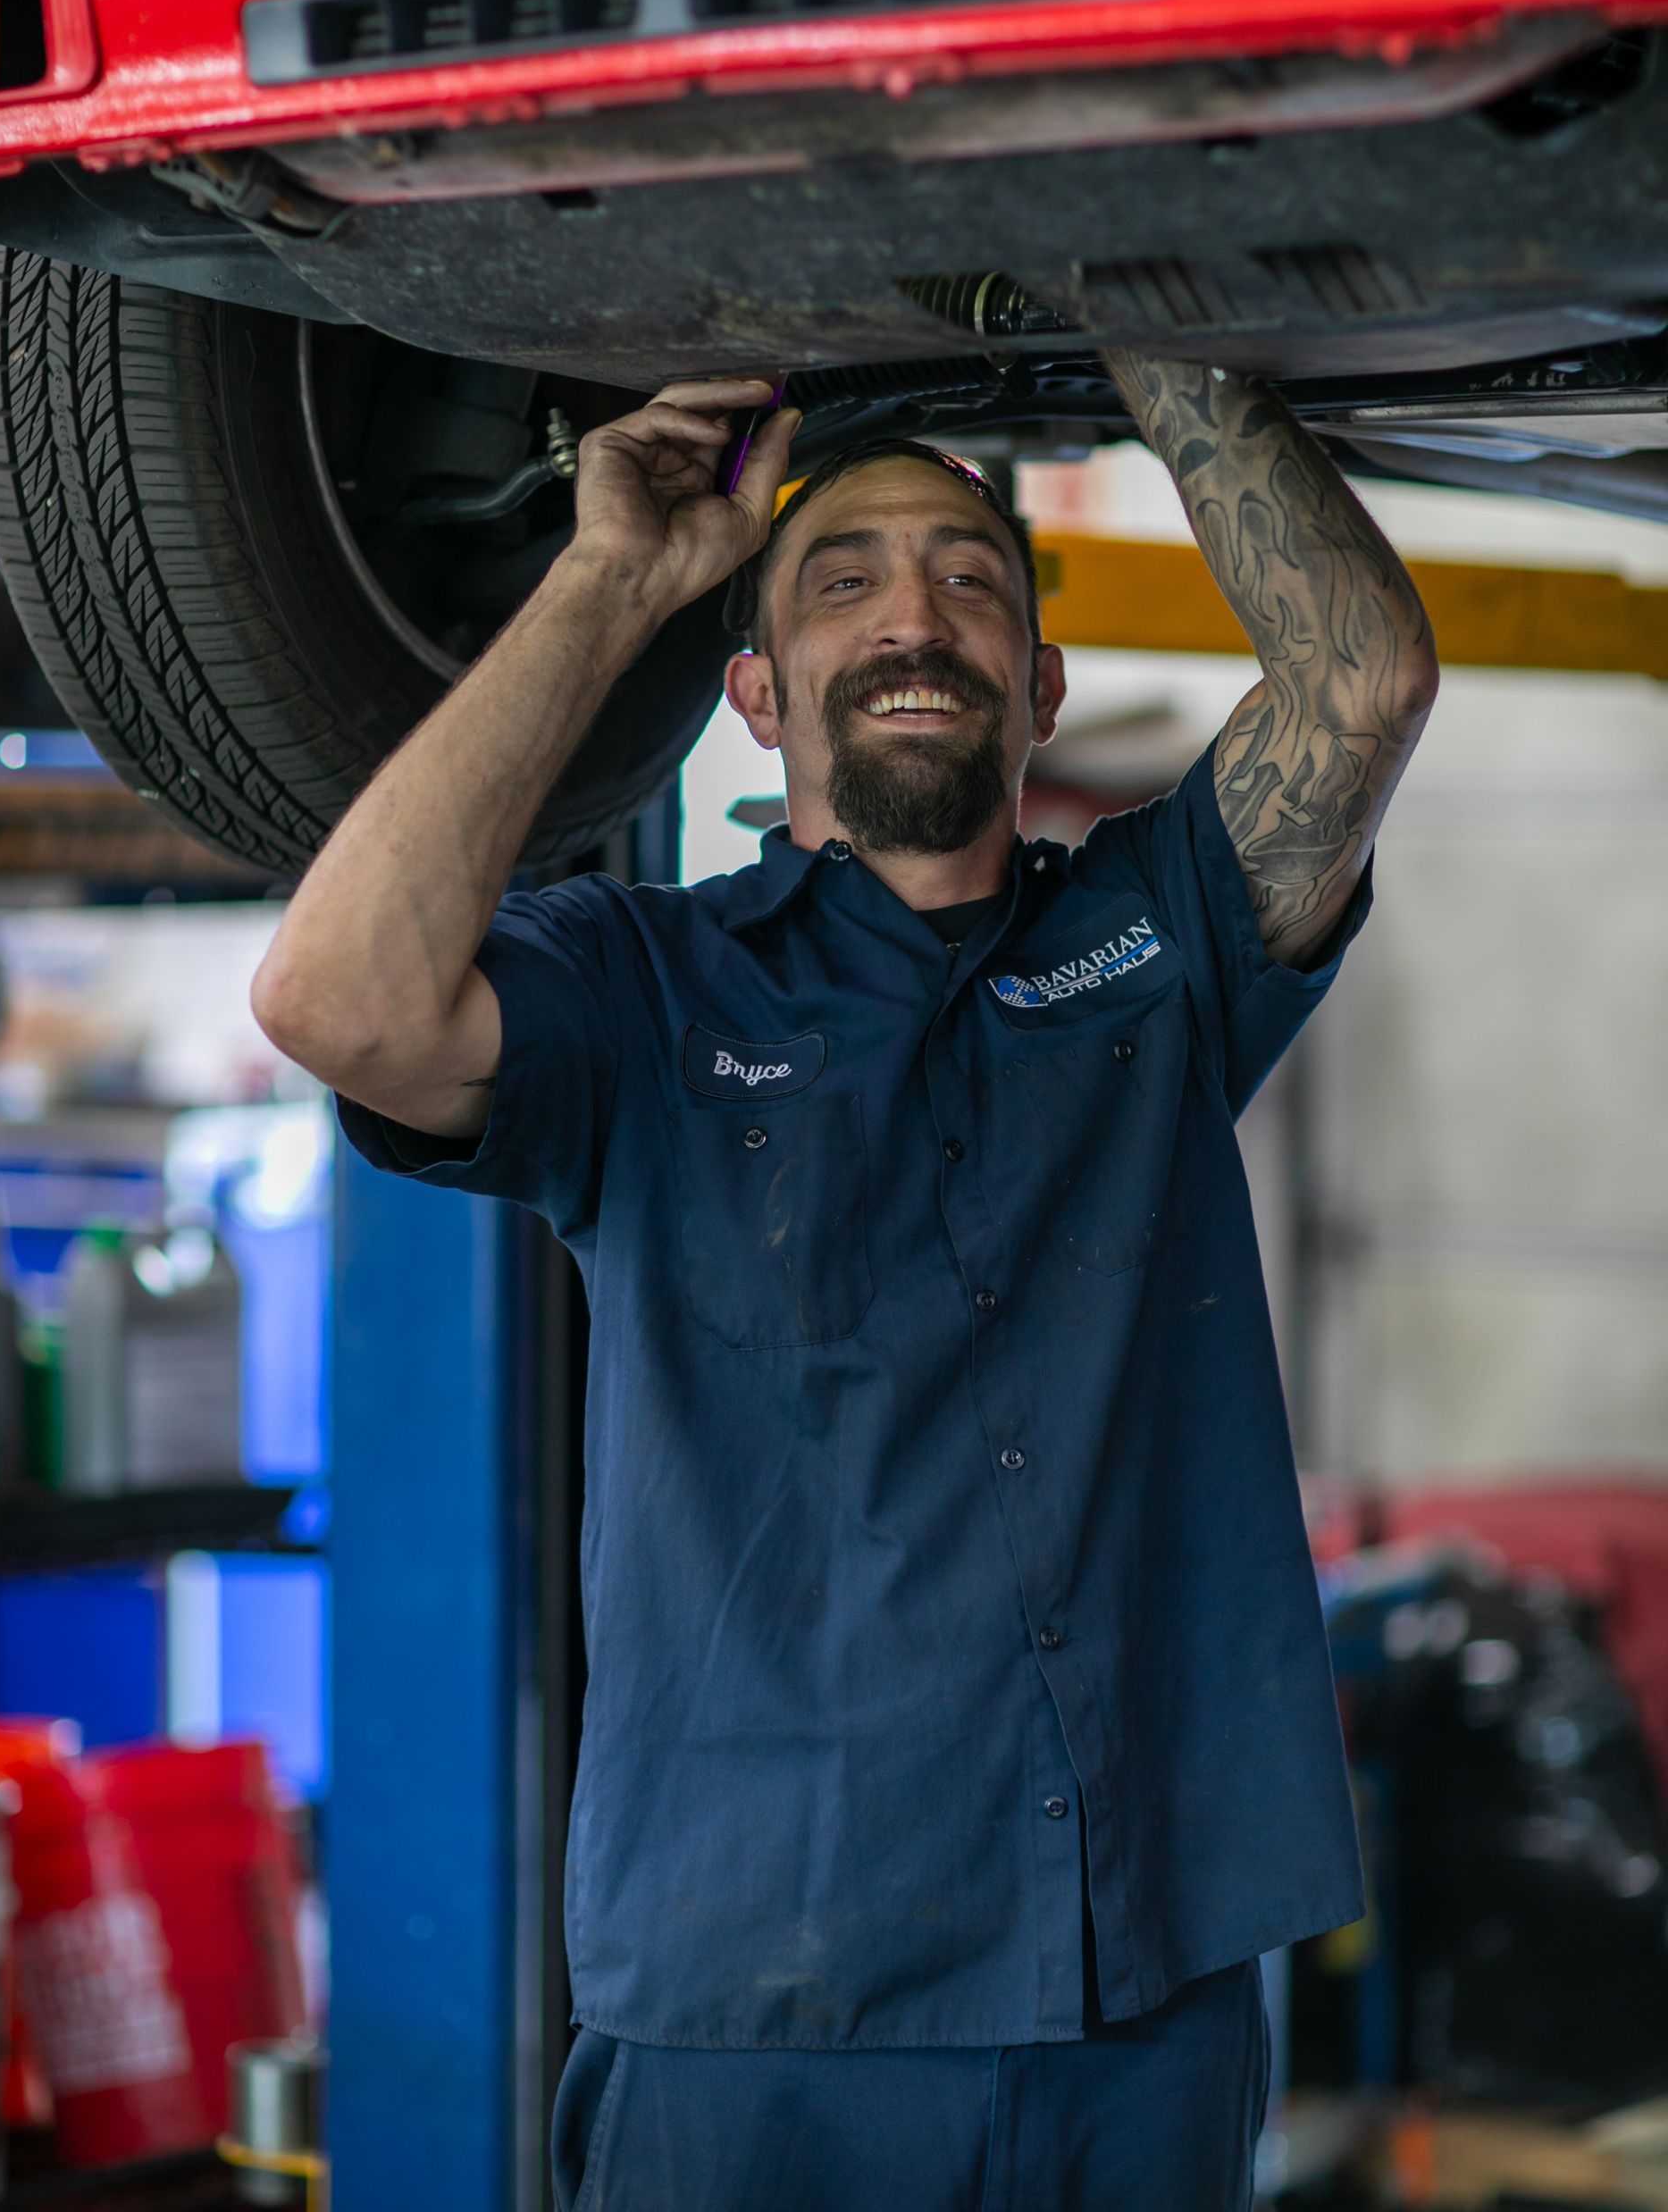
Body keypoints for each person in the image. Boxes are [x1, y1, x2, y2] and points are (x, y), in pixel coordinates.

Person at [253, 356, 1438, 2212]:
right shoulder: (640, 990)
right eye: (843, 580)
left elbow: (1361, 686)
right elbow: (341, 1001)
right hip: (757, 2012)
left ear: (1038, 689)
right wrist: (613, 578)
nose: (914, 614)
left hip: (1140, 2001)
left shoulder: (1157, 942)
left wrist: (1152, 321)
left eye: (974, 579)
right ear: (755, 692)